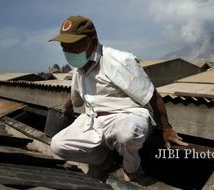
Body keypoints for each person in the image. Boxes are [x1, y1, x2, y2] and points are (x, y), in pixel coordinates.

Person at [49, 15, 188, 184]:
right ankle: (107, 161)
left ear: (92, 42)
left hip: (125, 116)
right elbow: (76, 96)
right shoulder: (79, 67)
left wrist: (167, 129)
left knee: (128, 135)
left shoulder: (118, 60)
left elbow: (152, 95)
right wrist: (67, 108)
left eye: (74, 46)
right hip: (93, 120)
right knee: (57, 145)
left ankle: (131, 167)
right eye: (65, 47)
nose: (69, 51)